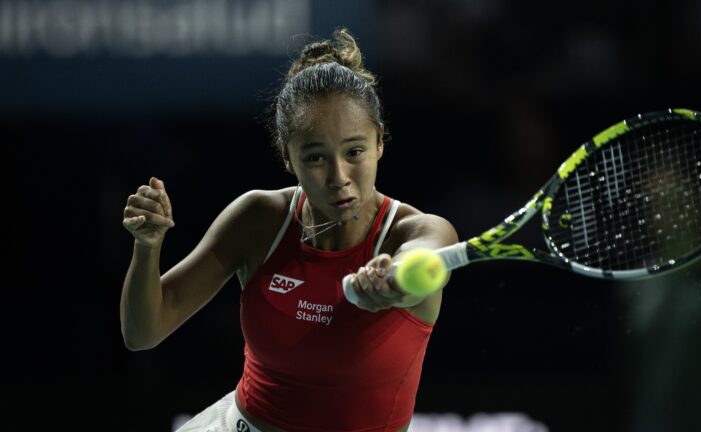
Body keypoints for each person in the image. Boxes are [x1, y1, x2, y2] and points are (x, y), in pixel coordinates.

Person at [120, 28, 458, 432]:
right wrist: (147, 247)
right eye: (316, 157)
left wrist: (393, 279)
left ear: (380, 141)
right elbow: (143, 333)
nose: (339, 177)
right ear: (287, 157)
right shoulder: (258, 219)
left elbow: (422, 262)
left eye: (355, 152)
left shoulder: (418, 231)